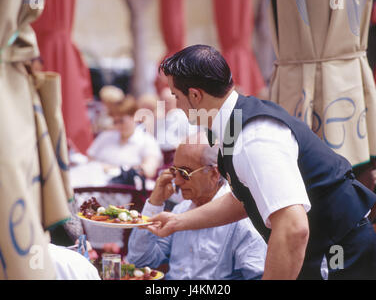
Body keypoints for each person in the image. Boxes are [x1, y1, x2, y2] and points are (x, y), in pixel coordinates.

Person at [146, 44, 376, 280]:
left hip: (338, 255)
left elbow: (293, 229)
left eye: (176, 96)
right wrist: (178, 221)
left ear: (195, 95)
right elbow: (244, 197)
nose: (175, 104)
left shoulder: (253, 139)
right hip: (325, 249)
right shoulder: (236, 119)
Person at [127, 132, 267, 280]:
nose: (178, 181)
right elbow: (140, 261)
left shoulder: (241, 219)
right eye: (174, 172)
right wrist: (155, 202)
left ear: (214, 174)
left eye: (185, 173)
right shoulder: (180, 210)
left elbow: (257, 276)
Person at [87, 94, 163, 179]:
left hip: (128, 188)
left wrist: (116, 169)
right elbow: (89, 160)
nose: (118, 126)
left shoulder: (147, 141)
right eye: (115, 122)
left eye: (121, 121)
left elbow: (149, 170)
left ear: (133, 116)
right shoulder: (105, 136)